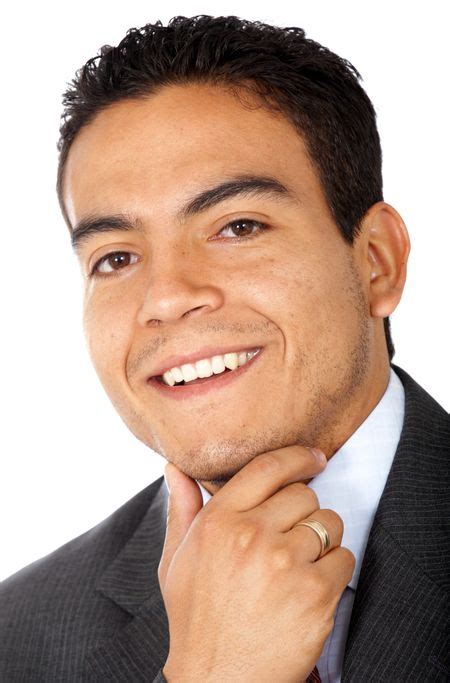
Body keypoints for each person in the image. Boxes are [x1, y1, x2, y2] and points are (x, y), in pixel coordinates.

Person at [0, 14, 448, 682]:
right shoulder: (18, 637)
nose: (165, 296)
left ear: (377, 262)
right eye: (116, 257)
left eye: (237, 225)